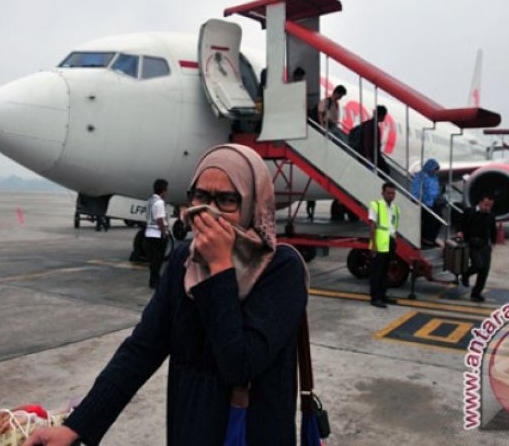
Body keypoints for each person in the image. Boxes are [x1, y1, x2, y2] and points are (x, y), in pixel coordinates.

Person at [22, 144, 308, 446]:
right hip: (190, 429)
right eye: (200, 196)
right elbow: (141, 350)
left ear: (252, 204)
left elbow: (239, 365)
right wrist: (77, 426)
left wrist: (221, 266)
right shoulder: (185, 261)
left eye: (226, 200)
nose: (208, 210)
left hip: (252, 432)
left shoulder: (281, 270)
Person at [457, 194, 497, 302]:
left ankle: (476, 293)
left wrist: (493, 242)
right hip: (471, 243)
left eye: (490, 206)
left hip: (484, 244)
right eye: (486, 205)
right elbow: (460, 222)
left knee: (485, 270)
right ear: (480, 203)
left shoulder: (491, 215)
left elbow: (493, 230)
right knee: (478, 265)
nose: (488, 208)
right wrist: (460, 231)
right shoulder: (469, 211)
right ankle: (466, 274)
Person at [368, 182, 400, 308]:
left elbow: (393, 226)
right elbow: (372, 226)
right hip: (379, 244)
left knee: (385, 271)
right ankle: (375, 298)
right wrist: (374, 245)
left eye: (393, 193)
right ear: (383, 193)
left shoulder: (395, 208)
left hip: (390, 242)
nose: (391, 195)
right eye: (388, 193)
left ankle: (383, 295)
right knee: (376, 272)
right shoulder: (376, 205)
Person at [410, 158, 444, 246]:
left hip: (433, 202)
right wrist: (416, 199)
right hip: (425, 203)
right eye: (434, 169)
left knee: (439, 219)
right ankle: (426, 237)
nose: (435, 171)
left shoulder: (435, 178)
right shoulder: (421, 177)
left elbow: (436, 191)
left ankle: (431, 237)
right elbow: (416, 189)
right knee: (432, 219)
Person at [145, 179, 170, 289]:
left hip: (149, 233)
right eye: (166, 190)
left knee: (152, 260)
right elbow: (160, 219)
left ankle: (152, 280)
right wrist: (164, 232)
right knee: (158, 259)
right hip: (157, 234)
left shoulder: (150, 200)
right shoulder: (159, 202)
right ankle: (156, 281)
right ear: (163, 191)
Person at [357, 105, 390, 175]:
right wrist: (368, 156)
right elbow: (367, 141)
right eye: (384, 116)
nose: (384, 118)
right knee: (385, 170)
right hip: (371, 155)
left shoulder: (369, 124)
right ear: (381, 116)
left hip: (371, 154)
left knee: (383, 169)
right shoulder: (372, 125)